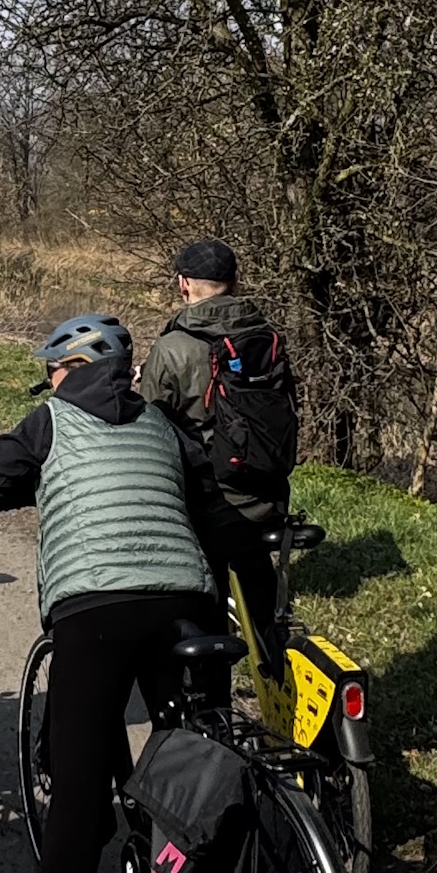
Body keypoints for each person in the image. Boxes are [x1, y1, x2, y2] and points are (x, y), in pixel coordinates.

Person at [0, 311, 241, 873]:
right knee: (195, 746)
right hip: (184, 599)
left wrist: (32, 482)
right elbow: (209, 506)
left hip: (94, 607)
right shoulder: (163, 424)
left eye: (52, 371)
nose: (49, 381)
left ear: (71, 368)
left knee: (81, 773)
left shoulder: (49, 420)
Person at [139, 237, 298, 625]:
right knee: (260, 601)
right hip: (268, 498)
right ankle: (273, 652)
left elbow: (152, 428)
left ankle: (211, 678)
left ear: (183, 284)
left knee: (205, 608)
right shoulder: (267, 338)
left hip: (206, 509)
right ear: (236, 281)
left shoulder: (173, 346)